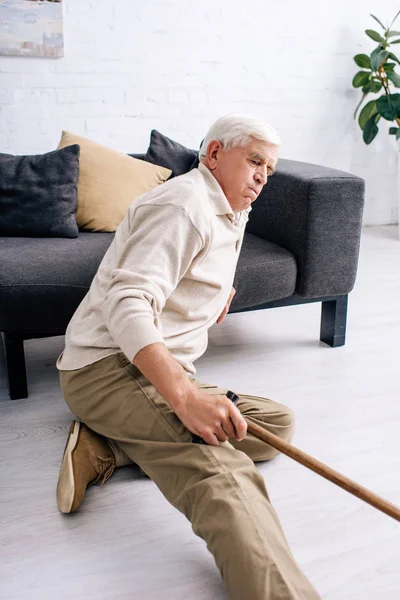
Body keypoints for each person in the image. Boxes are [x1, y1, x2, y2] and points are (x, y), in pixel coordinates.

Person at [56, 114, 321, 600]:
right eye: (255, 161)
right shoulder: (184, 204)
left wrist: (219, 290)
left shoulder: (229, 204)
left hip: (153, 371)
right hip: (109, 367)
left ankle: (108, 444)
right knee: (224, 474)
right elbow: (127, 301)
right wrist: (181, 397)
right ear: (215, 154)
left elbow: (194, 261)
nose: (263, 176)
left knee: (275, 427)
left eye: (270, 168)